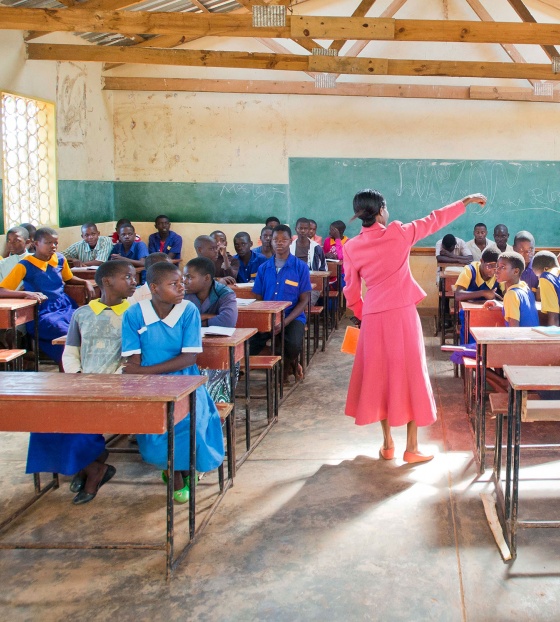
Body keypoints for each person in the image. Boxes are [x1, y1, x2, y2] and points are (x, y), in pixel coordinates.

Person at [343, 189, 487, 464]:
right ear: (382, 210)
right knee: (410, 375)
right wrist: (464, 201)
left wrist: (366, 313)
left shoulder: (350, 247)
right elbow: (434, 219)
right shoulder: (398, 232)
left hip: (373, 317)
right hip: (402, 315)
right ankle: (412, 448)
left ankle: (387, 445)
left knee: (378, 376)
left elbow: (351, 292)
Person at [121, 262, 224, 503]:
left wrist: (144, 370)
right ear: (154, 288)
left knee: (192, 425)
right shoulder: (134, 314)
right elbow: (131, 359)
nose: (182, 287)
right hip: (150, 386)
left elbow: (188, 357)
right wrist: (141, 373)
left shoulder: (188, 311)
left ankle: (183, 470)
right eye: (174, 284)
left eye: (182, 282)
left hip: (186, 380)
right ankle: (174, 473)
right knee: (156, 433)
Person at [52, 260, 136, 504]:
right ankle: (92, 465)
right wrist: (77, 377)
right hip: (84, 382)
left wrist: (114, 380)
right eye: (128, 278)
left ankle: (92, 470)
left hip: (118, 384)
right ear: (107, 282)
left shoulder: (134, 314)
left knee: (82, 421)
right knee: (50, 420)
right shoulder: (83, 313)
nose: (134, 282)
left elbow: (133, 357)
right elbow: (70, 351)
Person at [0, 227, 96, 365]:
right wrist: (25, 293)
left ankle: (85, 364)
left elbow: (69, 278)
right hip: (42, 312)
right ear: (36, 243)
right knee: (64, 332)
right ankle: (70, 365)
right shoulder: (25, 265)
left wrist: (85, 282)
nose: (53, 246)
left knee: (86, 325)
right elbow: (1, 290)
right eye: (48, 243)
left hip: (65, 307)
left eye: (55, 243)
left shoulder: (60, 260)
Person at [251, 224, 312, 383]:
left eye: (283, 239)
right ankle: (280, 361)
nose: (279, 243)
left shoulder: (300, 267)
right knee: (249, 345)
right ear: (270, 241)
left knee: (293, 344)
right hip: (268, 317)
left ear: (291, 241)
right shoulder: (264, 268)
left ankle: (289, 363)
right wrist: (266, 319)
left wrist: (285, 321)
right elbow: (258, 297)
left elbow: (304, 299)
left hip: (292, 316)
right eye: (275, 239)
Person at [184, 256, 239, 402]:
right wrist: (209, 317)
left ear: (207, 278)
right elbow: (178, 321)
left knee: (214, 377)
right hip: (190, 348)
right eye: (184, 277)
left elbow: (227, 321)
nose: (184, 281)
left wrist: (195, 320)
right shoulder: (183, 293)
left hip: (219, 347)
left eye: (189, 277)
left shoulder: (224, 293)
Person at [454, 247, 501, 343]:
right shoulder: (469, 270)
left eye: (496, 267)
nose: (492, 271)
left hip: (489, 312)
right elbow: (458, 295)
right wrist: (484, 293)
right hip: (469, 313)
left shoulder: (498, 273)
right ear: (481, 261)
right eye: (489, 266)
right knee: (470, 340)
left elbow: (505, 294)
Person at [484, 251, 539, 327]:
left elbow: (514, 330)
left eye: (503, 267)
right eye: (497, 266)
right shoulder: (525, 288)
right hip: (533, 337)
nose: (497, 270)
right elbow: (522, 311)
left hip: (521, 338)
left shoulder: (511, 294)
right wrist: (503, 306)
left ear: (516, 271)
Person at [532, 251, 560, 326]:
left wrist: (553, 337)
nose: (538, 279)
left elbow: (554, 316)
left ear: (545, 269)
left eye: (538, 276)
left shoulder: (546, 277)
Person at [513, 230, 538, 296]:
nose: (527, 253)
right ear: (514, 249)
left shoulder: (539, 268)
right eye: (522, 250)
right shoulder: (509, 268)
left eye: (530, 249)